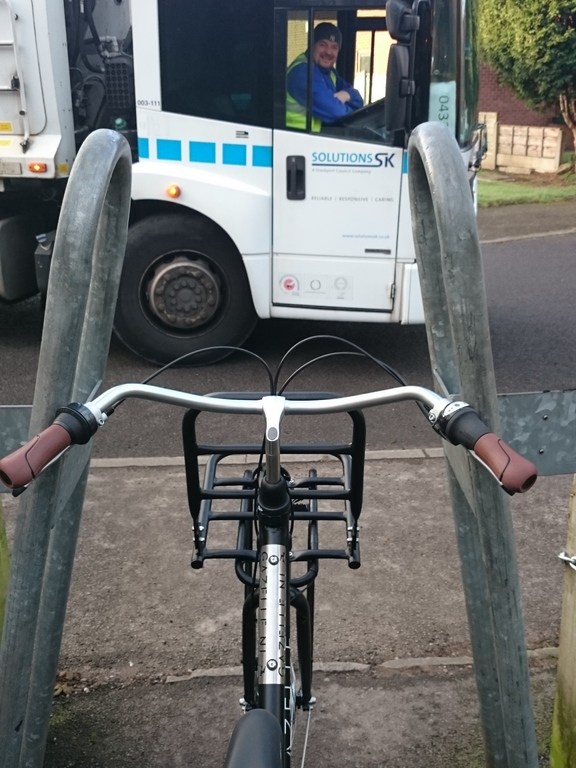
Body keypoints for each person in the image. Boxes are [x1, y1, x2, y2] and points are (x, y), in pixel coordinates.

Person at [286, 22, 364, 131]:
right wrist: (356, 115)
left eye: (334, 47)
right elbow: (336, 112)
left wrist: (347, 94)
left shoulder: (329, 73)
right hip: (294, 138)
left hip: (314, 139)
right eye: (322, 45)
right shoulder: (302, 72)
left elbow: (359, 101)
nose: (328, 52)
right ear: (312, 45)